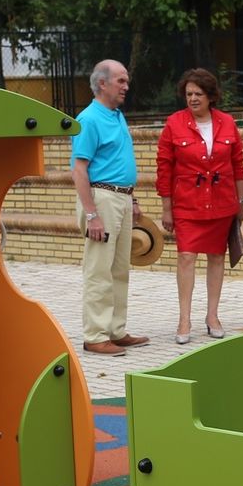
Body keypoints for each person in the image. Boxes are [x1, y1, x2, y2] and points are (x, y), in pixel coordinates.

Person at [157, 68, 243, 344]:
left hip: (221, 203)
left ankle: (212, 315)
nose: (193, 99)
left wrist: (240, 202)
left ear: (210, 96)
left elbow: (238, 165)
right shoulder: (174, 123)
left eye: (198, 94)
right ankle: (184, 318)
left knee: (217, 257)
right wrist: (166, 208)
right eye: (188, 94)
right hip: (187, 204)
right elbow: (164, 168)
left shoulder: (228, 123)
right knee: (186, 256)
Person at [71, 59, 148, 356]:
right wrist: (92, 214)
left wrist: (133, 198)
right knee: (98, 270)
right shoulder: (89, 119)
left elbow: (119, 161)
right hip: (101, 200)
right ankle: (95, 335)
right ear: (102, 83)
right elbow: (79, 170)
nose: (126, 87)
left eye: (126, 81)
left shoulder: (116, 116)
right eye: (121, 81)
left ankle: (115, 330)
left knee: (118, 269)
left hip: (121, 198)